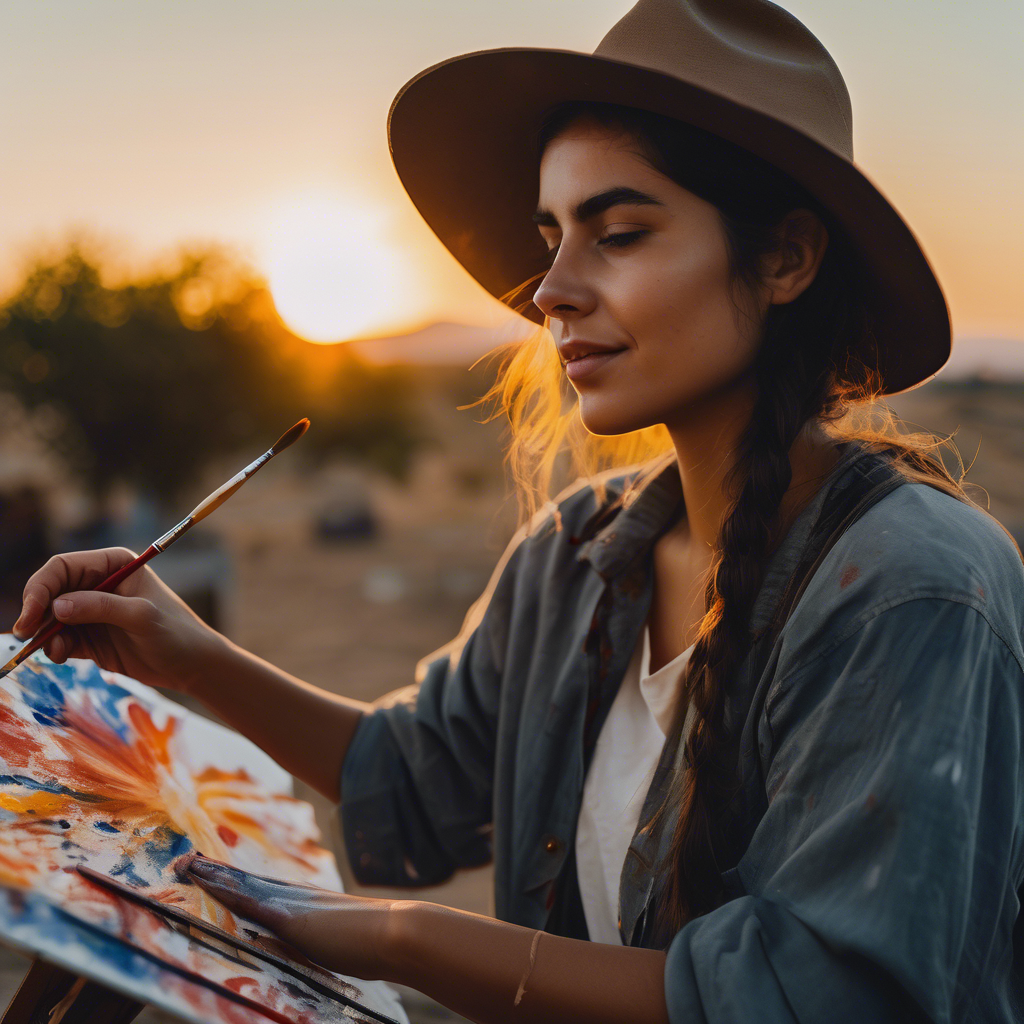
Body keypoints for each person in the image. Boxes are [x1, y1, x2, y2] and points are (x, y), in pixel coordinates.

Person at [13, 1, 1024, 1021]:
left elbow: (818, 997)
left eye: (617, 234)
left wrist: (406, 937)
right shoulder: (577, 554)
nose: (550, 290)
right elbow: (418, 776)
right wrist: (190, 655)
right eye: (551, 238)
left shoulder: (915, 590)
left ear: (785, 258)